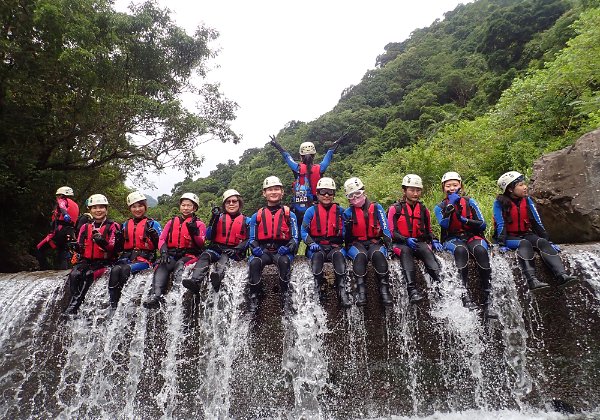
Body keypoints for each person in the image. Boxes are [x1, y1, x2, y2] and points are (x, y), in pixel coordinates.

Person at [494, 171, 577, 290]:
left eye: (524, 184)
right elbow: (501, 224)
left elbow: (537, 222)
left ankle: (562, 275)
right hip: (509, 238)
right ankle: (532, 280)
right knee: (524, 244)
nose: (525, 187)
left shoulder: (527, 200)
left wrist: (547, 240)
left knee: (542, 243)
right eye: (521, 185)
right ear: (510, 189)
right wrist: (501, 243)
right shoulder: (499, 203)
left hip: (526, 234)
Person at [434, 172, 498, 319]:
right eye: (448, 185)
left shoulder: (470, 201)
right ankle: (464, 295)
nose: (452, 188)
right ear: (443, 188)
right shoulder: (440, 207)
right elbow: (443, 224)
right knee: (460, 251)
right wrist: (450, 210)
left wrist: (465, 220)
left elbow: (482, 224)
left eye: (455, 185)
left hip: (472, 236)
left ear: (460, 186)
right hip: (452, 239)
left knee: (481, 250)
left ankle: (489, 300)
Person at [269, 133, 347, 230]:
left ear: (301, 156)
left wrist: (277, 145)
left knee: (297, 235)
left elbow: (286, 156)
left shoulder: (297, 168)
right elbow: (329, 155)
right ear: (314, 155)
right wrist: (336, 143)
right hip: (316, 209)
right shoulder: (320, 168)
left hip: (298, 210)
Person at [387, 174, 444, 304]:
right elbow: (391, 232)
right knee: (406, 252)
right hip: (400, 243)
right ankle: (412, 290)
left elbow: (428, 230)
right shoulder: (394, 209)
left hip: (417, 241)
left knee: (426, 251)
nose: (415, 193)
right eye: (412, 190)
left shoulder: (423, 209)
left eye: (418, 190)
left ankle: (441, 285)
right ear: (404, 191)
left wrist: (434, 240)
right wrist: (405, 239)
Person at [143, 193, 206, 308]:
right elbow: (162, 239)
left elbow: (201, 243)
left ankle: (176, 296)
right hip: (172, 253)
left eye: (189, 205)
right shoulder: (171, 222)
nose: (186, 208)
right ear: (180, 206)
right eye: (183, 205)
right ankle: (157, 296)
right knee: (163, 264)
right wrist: (163, 252)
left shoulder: (199, 224)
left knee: (180, 264)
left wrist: (194, 233)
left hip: (189, 254)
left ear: (194, 208)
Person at [247, 176, 299, 312]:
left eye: (277, 189)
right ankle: (254, 297)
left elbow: (295, 238)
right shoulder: (256, 216)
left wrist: (288, 248)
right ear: (264, 193)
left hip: (281, 251)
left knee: (284, 263)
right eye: (270, 190)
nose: (273, 192)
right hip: (264, 251)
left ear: (282, 192)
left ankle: (285, 296)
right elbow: (252, 239)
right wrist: (255, 248)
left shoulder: (289, 214)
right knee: (254, 263)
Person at [183, 189, 250, 294]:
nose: (231, 204)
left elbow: (249, 239)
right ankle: (194, 280)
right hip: (217, 249)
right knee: (205, 255)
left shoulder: (247, 220)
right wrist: (214, 219)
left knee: (225, 255)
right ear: (224, 204)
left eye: (234, 201)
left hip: (233, 252)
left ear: (239, 203)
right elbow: (209, 236)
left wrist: (237, 249)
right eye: (228, 202)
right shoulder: (218, 218)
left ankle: (218, 275)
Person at [64, 194, 119, 315]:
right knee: (74, 274)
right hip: (87, 261)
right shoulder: (85, 227)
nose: (98, 210)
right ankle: (74, 302)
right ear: (90, 210)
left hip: (105, 262)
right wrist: (74, 246)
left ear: (106, 209)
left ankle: (75, 305)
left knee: (89, 274)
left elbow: (114, 248)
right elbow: (80, 246)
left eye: (101, 207)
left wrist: (102, 242)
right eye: (94, 207)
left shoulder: (113, 226)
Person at [343, 177, 393, 307]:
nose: (355, 198)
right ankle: (361, 293)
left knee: (378, 255)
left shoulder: (376, 208)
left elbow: (385, 227)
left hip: (374, 242)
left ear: (364, 192)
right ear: (348, 198)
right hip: (357, 244)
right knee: (360, 256)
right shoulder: (347, 213)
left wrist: (390, 246)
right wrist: (347, 230)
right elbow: (344, 237)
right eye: (351, 196)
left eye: (358, 194)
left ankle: (385, 292)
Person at [301, 177, 351, 307]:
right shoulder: (310, 211)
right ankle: (318, 289)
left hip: (335, 246)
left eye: (330, 192)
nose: (327, 195)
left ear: (334, 194)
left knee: (339, 256)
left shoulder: (341, 212)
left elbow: (347, 233)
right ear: (317, 194)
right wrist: (311, 243)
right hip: (317, 247)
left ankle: (342, 290)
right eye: (323, 192)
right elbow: (303, 231)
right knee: (317, 257)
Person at [108, 191, 162, 309]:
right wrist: (118, 239)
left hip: (145, 259)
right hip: (127, 258)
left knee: (125, 270)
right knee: (115, 270)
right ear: (130, 208)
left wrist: (154, 237)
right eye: (134, 206)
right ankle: (114, 304)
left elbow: (160, 245)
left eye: (140, 206)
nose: (137, 209)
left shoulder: (153, 224)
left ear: (145, 207)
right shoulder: (126, 224)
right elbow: (119, 248)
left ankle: (123, 301)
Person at [36, 186, 80, 270]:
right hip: (69, 232)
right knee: (62, 251)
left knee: (39, 248)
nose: (57, 197)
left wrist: (65, 214)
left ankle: (43, 270)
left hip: (59, 232)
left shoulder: (62, 200)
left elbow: (62, 207)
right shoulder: (75, 205)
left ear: (61, 195)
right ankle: (63, 272)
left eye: (58, 195)